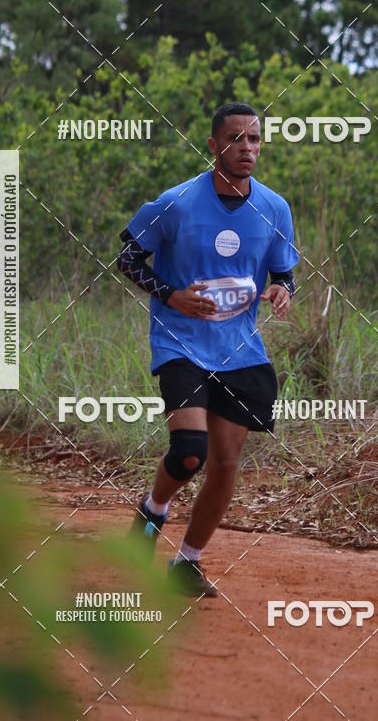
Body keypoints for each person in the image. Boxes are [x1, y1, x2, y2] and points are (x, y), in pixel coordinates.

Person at [117, 102, 299, 597]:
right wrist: (171, 295)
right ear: (214, 145)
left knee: (224, 465)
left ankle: (187, 564)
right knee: (191, 452)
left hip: (240, 351)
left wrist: (284, 288)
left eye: (255, 139)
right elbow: (128, 256)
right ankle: (152, 514)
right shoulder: (178, 202)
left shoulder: (274, 207)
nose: (248, 148)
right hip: (180, 343)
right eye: (237, 139)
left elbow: (284, 270)